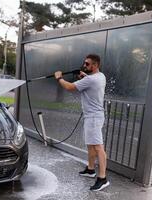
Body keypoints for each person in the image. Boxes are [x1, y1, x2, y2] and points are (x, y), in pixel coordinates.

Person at [54, 54, 109, 191]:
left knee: (98, 147)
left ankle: (102, 178)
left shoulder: (91, 80)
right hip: (92, 116)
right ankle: (91, 170)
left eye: (87, 64)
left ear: (95, 65)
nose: (84, 66)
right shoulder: (100, 76)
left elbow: (69, 87)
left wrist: (59, 77)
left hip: (94, 117)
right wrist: (85, 76)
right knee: (91, 145)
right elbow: (91, 81)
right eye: (84, 63)